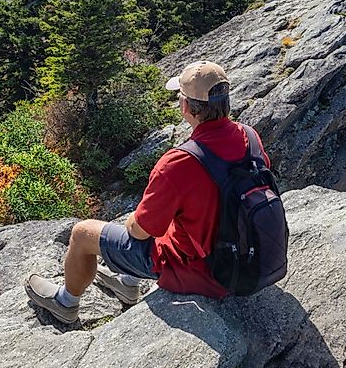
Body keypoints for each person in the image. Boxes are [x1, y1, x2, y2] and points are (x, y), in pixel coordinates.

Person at [24, 60, 270, 324]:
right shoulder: (249, 137)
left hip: (202, 271)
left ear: (186, 106)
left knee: (83, 233)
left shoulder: (180, 162)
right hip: (248, 256)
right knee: (175, 215)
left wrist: (133, 220)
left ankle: (65, 302)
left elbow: (140, 231)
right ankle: (127, 282)